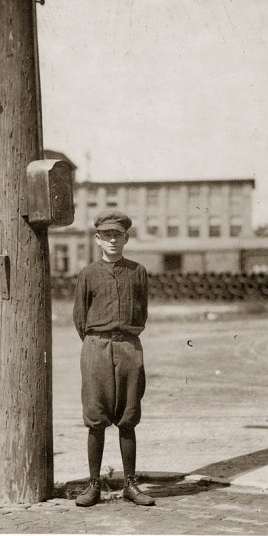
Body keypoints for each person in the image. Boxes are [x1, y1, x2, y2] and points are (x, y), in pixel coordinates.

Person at [72, 210, 155, 507]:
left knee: (128, 417)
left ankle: (130, 485)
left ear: (126, 238)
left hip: (129, 348)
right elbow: (80, 317)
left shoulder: (138, 271)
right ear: (97, 239)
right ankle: (93, 485)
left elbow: (141, 311)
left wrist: (125, 341)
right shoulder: (88, 274)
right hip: (97, 347)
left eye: (117, 235)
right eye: (106, 235)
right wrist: (98, 343)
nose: (112, 240)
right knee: (95, 418)